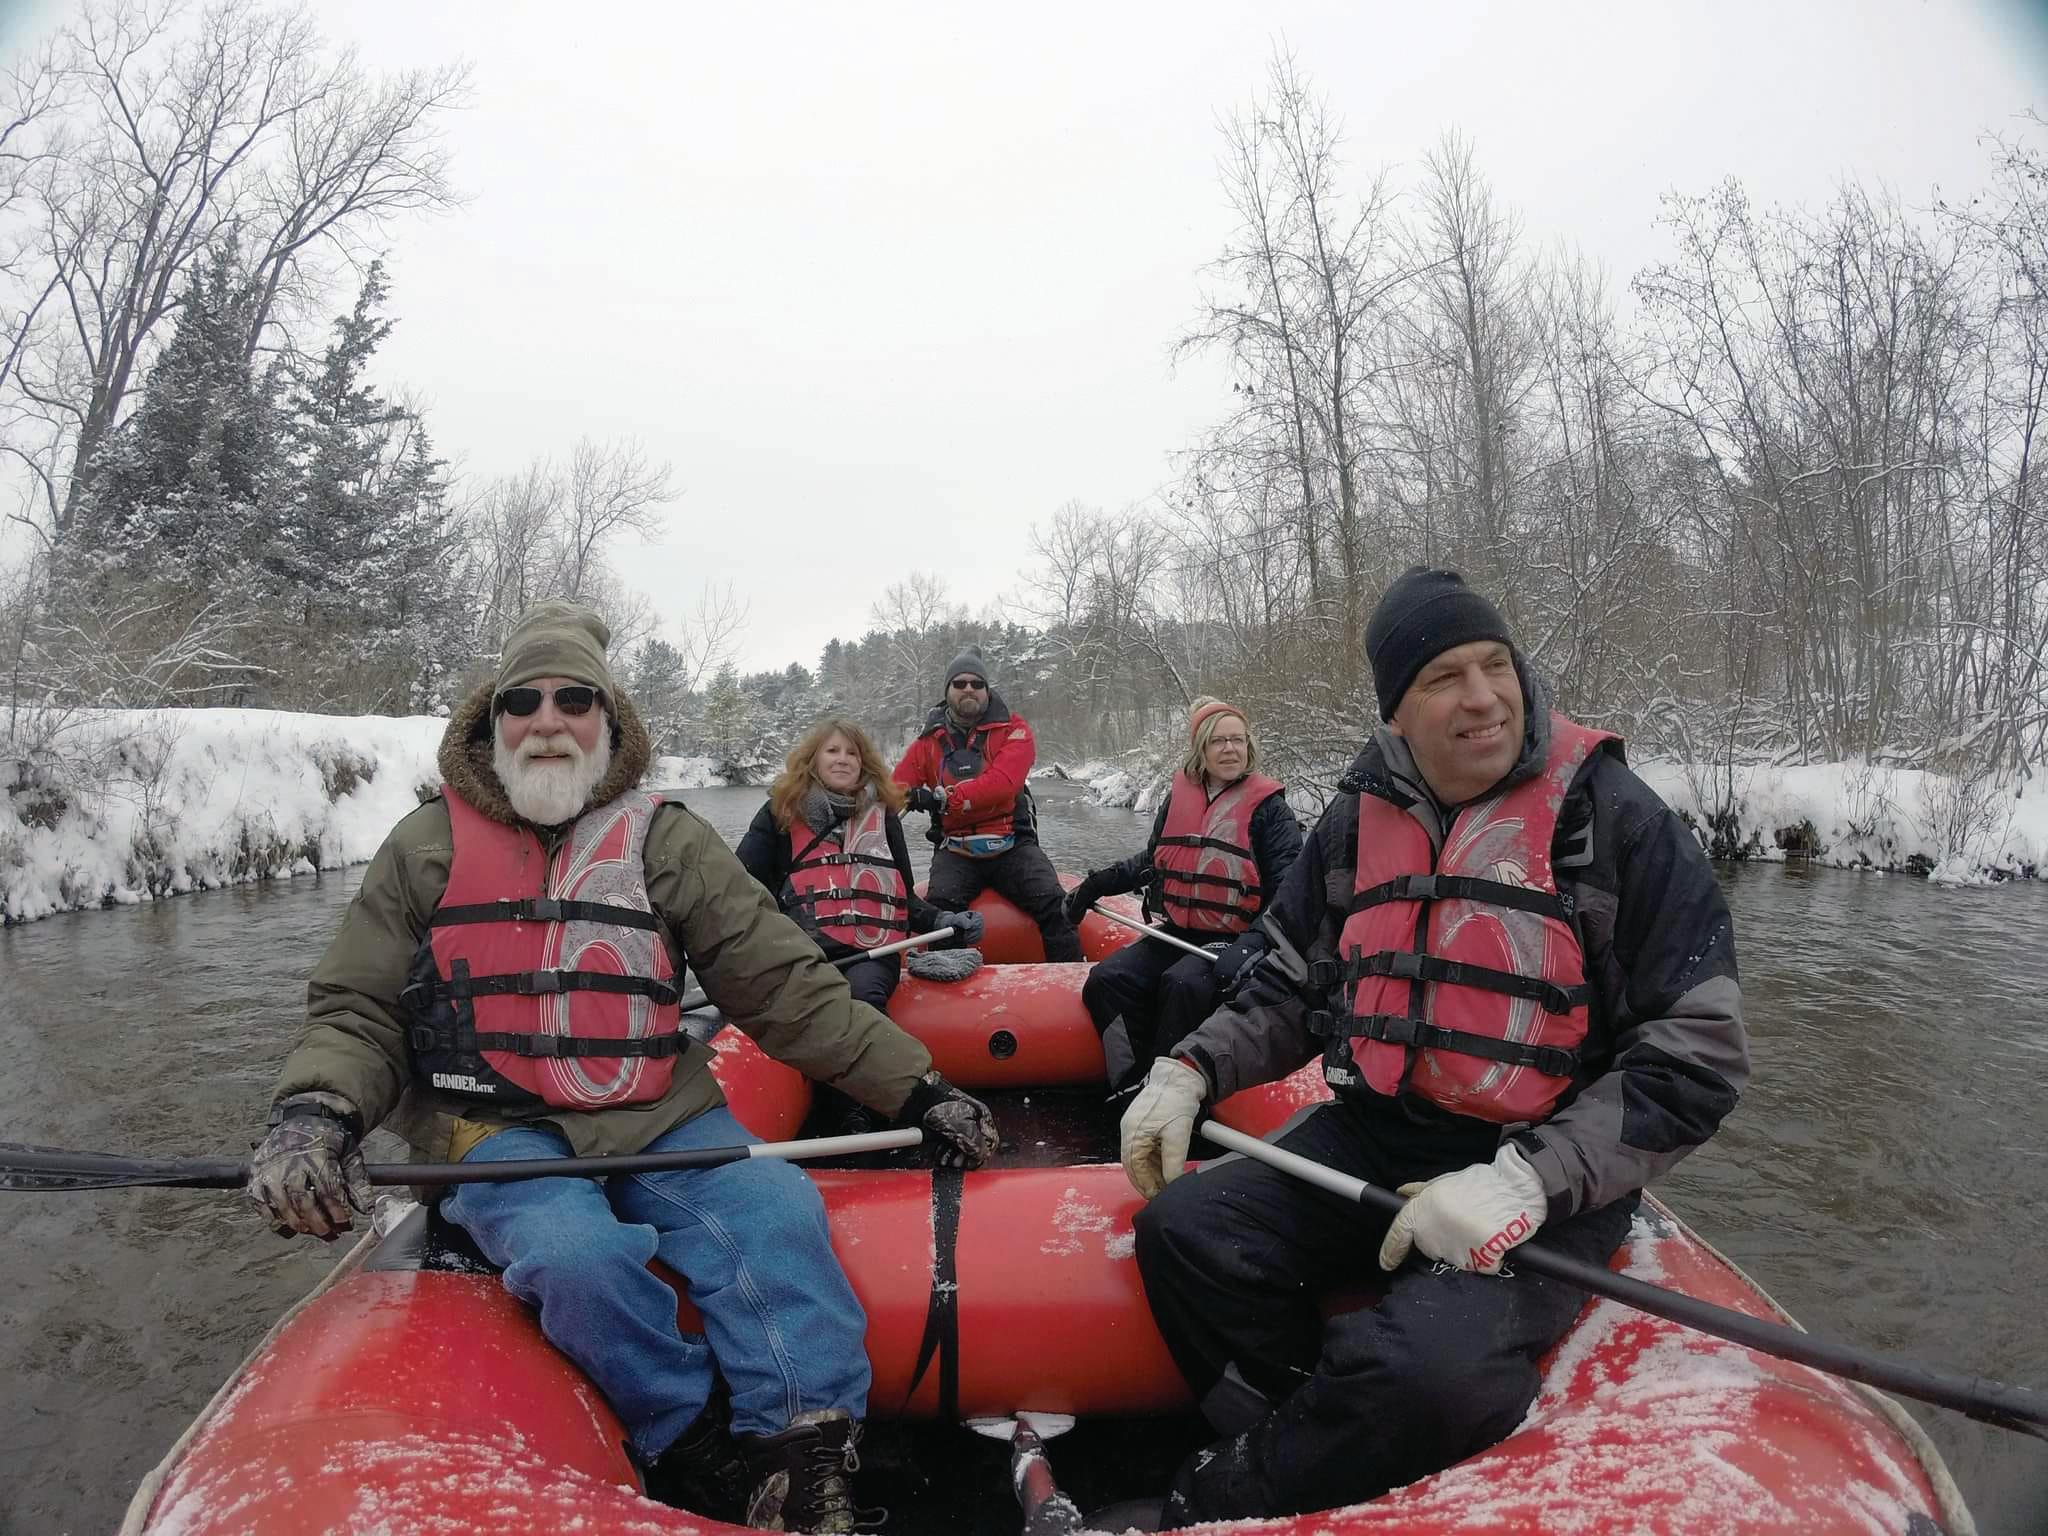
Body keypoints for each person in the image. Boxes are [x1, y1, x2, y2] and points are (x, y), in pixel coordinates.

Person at [245, 600, 1001, 1535]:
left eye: (575, 700)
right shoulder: (424, 846)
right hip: (496, 1129)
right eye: (524, 702)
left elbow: (782, 987)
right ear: (492, 720)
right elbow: (358, 1008)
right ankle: (689, 1440)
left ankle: (800, 1454)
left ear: (607, 719)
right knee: (578, 1260)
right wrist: (316, 1110)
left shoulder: (667, 841)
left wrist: (917, 1089)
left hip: (659, 1113)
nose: (549, 721)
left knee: (776, 1214)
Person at [1119, 568, 1749, 1523]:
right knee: (1185, 1234)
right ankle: (1297, 1433)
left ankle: (1221, 1495)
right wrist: (1191, 1068)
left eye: (1496, 665)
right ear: (1397, 711)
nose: (1484, 696)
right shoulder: (1352, 822)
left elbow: (1696, 1055)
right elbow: (1290, 983)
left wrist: (1528, 1181)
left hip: (1542, 1169)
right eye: (1445, 677)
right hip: (1377, 1133)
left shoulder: (1615, 819)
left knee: (1430, 1372)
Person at [736, 716, 986, 1131]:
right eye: (832, 751)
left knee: (862, 997)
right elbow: (742, 886)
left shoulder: (883, 816)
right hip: (805, 953)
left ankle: (859, 1111)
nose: (843, 759)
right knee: (825, 999)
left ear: (863, 763)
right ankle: (851, 1110)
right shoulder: (780, 813)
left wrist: (943, 920)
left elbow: (903, 898)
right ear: (813, 759)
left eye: (852, 753)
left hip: (873, 951)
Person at [1063, 697, 1302, 1092]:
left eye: (1238, 740)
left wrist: (1255, 942)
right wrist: (1099, 883)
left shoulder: (1270, 810)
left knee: (1183, 986)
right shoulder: (1179, 797)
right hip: (1180, 932)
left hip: (1237, 940)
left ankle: (1168, 1094)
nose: (1230, 749)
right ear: (1200, 749)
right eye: (1218, 741)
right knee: (1107, 980)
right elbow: (1155, 860)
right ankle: (1131, 1083)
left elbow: (1289, 889)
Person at [891, 647, 1082, 962]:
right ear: (947, 691)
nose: (969, 689)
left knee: (1055, 904)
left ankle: (1072, 978)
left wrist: (944, 798)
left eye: (977, 683)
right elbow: (893, 788)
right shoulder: (927, 743)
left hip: (1012, 845)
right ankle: (947, 980)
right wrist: (909, 795)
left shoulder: (1015, 730)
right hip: (955, 850)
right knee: (941, 914)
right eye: (960, 683)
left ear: (987, 689)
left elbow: (1002, 784)